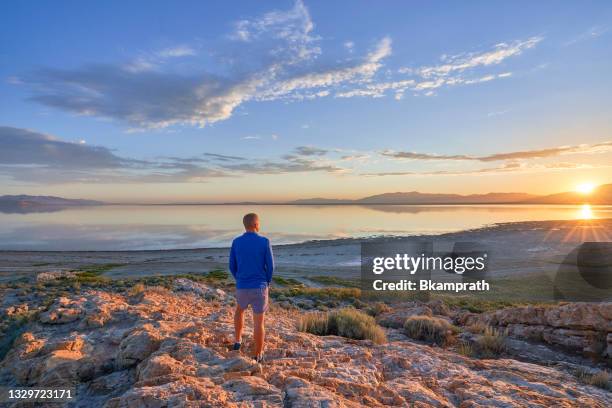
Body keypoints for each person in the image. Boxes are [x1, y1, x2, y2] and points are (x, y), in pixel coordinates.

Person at [229, 213, 274, 363]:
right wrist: (267, 282)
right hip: (259, 287)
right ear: (256, 224)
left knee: (239, 310)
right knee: (258, 322)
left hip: (242, 286)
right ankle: (258, 354)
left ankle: (237, 341)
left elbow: (232, 266)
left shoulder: (236, 242)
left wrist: (240, 279)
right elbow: (271, 267)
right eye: (259, 223)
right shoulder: (264, 241)